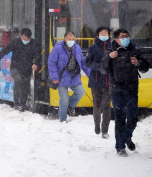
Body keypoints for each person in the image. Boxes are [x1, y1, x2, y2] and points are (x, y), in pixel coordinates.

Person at [100, 28, 149, 157]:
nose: (126, 38)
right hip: (117, 91)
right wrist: (109, 58)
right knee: (120, 119)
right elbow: (102, 69)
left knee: (133, 118)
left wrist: (139, 63)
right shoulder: (110, 51)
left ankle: (127, 137)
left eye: (127, 36)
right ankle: (120, 146)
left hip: (132, 90)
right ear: (116, 39)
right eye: (123, 36)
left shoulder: (134, 50)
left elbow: (145, 67)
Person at [0, 28, 40, 111]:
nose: (26, 40)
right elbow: (4, 51)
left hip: (27, 69)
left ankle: (23, 104)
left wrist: (36, 64)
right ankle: (17, 103)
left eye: (28, 39)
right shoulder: (15, 42)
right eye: (24, 38)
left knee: (25, 86)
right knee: (18, 80)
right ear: (21, 36)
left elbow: (38, 55)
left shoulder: (33, 43)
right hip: (15, 67)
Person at [48, 31, 90, 122]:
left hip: (74, 77)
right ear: (64, 38)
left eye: (73, 39)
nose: (71, 41)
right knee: (64, 99)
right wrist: (54, 77)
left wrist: (90, 74)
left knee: (80, 92)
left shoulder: (77, 48)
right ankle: (62, 119)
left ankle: (70, 106)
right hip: (61, 78)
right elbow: (51, 63)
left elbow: (83, 63)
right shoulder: (57, 48)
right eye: (69, 39)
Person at [85, 27, 112, 138]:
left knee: (107, 106)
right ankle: (97, 124)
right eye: (102, 33)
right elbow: (87, 62)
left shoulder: (113, 47)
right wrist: (97, 66)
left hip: (109, 82)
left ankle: (105, 130)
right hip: (96, 81)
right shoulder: (93, 48)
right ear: (98, 35)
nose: (104, 34)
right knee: (97, 105)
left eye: (106, 33)